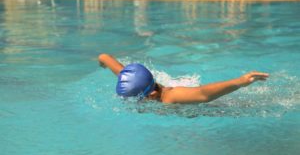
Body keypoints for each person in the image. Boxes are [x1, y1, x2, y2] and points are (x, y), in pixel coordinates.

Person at [98, 53, 269, 104]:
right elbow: (104, 56)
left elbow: (203, 94)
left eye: (137, 100)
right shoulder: (131, 78)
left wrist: (238, 82)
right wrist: (102, 62)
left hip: (208, 108)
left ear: (150, 96)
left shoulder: (170, 97)